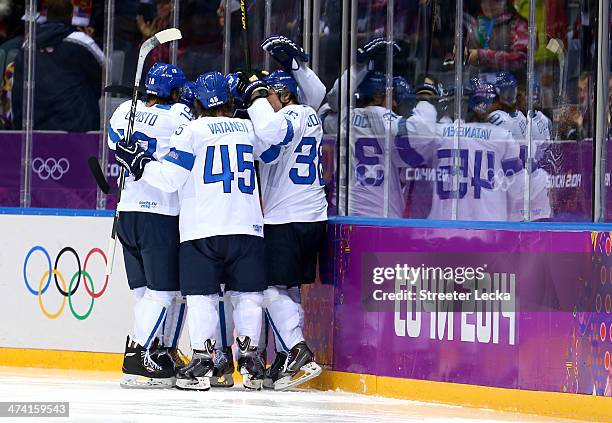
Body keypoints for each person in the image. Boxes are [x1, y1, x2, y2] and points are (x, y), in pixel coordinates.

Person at [115, 71, 282, 392]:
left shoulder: (191, 130)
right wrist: (257, 99)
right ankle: (251, 363)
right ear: (231, 100)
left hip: (201, 229)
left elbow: (170, 179)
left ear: (196, 101)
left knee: (201, 298)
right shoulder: (248, 128)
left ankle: (204, 361)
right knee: (248, 296)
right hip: (248, 227)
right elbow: (273, 152)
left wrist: (141, 164)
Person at [237, 37, 326, 391]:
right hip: (310, 216)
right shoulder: (310, 113)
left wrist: (255, 95)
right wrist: (296, 67)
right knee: (287, 291)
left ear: (284, 96)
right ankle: (288, 358)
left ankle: (297, 350)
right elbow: (315, 92)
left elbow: (269, 131)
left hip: (286, 219)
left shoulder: (289, 115)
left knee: (268, 289)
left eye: (270, 94)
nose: (265, 100)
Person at [108, 62, 192, 388]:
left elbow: (115, 141)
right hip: (160, 213)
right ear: (174, 92)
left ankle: (156, 350)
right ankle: (139, 355)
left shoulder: (125, 111)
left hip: (127, 212)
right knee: (165, 292)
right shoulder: (179, 117)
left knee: (144, 293)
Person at [409, 78, 521, 221]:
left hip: (443, 223)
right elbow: (516, 188)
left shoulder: (438, 132)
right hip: (490, 224)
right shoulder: (502, 136)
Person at [12, 0, 104, 132]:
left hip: (36, 129)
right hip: (78, 128)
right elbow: (105, 73)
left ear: (46, 15)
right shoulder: (82, 41)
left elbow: (18, 89)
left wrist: (19, 127)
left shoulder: (28, 44)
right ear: (71, 15)